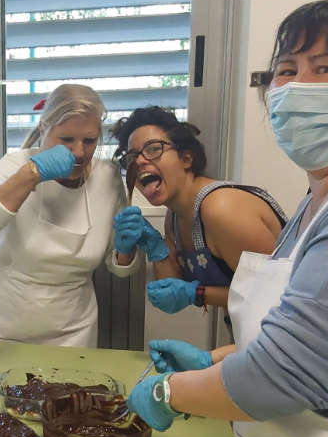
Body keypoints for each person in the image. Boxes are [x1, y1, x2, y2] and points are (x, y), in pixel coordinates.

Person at [127, 0, 328, 437]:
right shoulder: (319, 200)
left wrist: (169, 392)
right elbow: (305, 333)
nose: (295, 87)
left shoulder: (231, 207)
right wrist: (211, 359)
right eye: (286, 70)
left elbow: (283, 374)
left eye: (323, 69)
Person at [0, 83, 141, 347]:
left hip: (74, 327)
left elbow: (120, 268)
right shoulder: (15, 165)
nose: (79, 152)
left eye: (89, 141)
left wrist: (126, 251)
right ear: (44, 129)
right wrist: (29, 174)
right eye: (66, 139)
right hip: (6, 320)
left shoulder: (107, 177)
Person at [110, 107, 287, 325]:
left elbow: (275, 294)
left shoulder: (221, 208)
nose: (139, 162)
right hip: (256, 330)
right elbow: (171, 291)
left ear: (186, 158)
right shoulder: (175, 216)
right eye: (132, 157)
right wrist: (156, 248)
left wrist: (199, 293)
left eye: (154, 149)